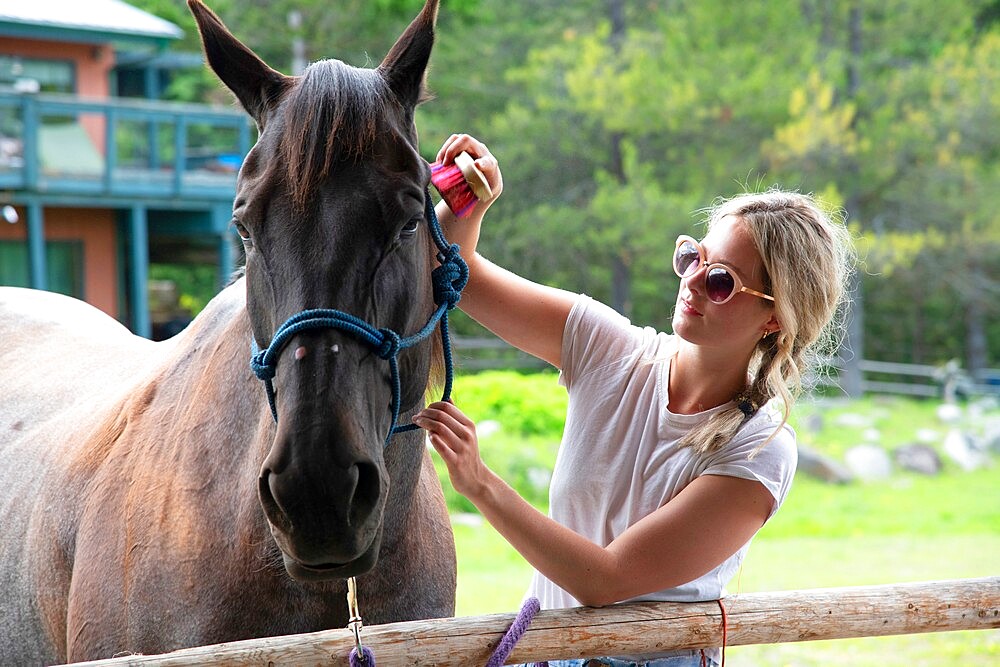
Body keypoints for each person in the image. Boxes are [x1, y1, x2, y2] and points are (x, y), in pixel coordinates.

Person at [414, 134, 855, 667]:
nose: (692, 281)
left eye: (720, 281)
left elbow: (607, 580)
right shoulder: (608, 347)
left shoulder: (760, 447)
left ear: (774, 318)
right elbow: (456, 277)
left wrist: (479, 484)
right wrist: (469, 199)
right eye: (694, 256)